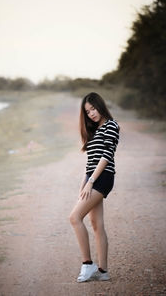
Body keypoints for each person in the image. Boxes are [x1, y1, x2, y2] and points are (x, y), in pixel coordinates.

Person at [69, 92, 119, 283]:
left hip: (103, 177)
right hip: (92, 178)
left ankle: (87, 263)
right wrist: (83, 184)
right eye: (87, 111)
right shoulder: (94, 130)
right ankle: (103, 271)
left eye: (93, 109)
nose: (91, 114)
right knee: (97, 225)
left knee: (74, 217)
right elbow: (90, 162)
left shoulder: (111, 126)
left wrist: (91, 182)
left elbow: (106, 156)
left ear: (101, 106)